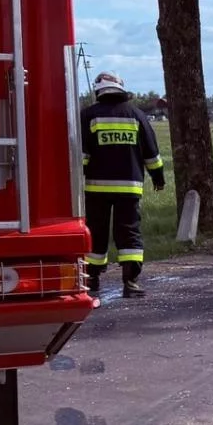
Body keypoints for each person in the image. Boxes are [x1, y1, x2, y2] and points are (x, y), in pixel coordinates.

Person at [79, 71, 166, 300]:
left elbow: (81, 156)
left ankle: (92, 279)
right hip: (129, 188)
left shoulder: (88, 115)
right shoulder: (136, 115)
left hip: (95, 189)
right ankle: (131, 282)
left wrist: (77, 180)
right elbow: (152, 153)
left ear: (99, 91)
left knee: (96, 232)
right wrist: (158, 178)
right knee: (129, 233)